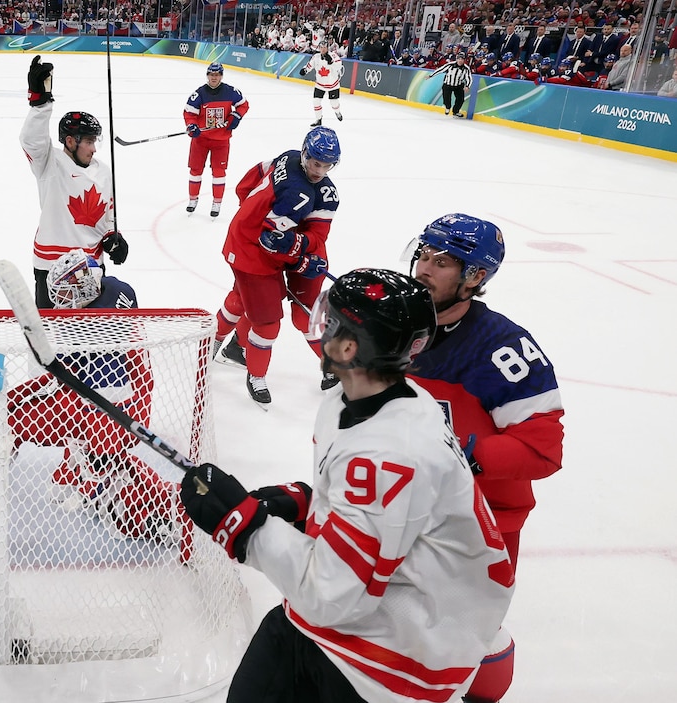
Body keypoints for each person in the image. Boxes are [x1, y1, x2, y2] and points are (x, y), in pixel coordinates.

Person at [179, 268, 515, 703]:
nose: (321, 327)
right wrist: (308, 502)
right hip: (362, 615)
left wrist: (247, 532)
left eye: (331, 321)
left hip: (394, 661)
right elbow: (384, 513)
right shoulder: (368, 400)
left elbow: (333, 596)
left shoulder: (392, 453)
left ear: (352, 346)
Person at [406, 214, 564, 703]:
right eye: (423, 254)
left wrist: (463, 455)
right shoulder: (397, 322)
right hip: (403, 511)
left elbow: (543, 449)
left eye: (443, 261)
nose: (423, 269)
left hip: (480, 526)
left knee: (470, 640)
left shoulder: (501, 348)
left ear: (475, 277)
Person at [0, 249, 178, 543]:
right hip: (124, 400)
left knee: (16, 417)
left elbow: (64, 372)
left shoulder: (88, 327)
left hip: (107, 412)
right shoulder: (119, 289)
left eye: (68, 295)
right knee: (17, 410)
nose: (61, 303)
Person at [213, 127, 342, 407]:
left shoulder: (291, 158)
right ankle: (251, 370)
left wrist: (247, 205)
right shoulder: (297, 193)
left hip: (281, 246)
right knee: (267, 320)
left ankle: (230, 346)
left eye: (327, 165)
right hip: (252, 250)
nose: (320, 170)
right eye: (315, 162)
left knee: (301, 314)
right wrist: (300, 259)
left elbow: (255, 175)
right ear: (306, 154)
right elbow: (269, 241)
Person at [20, 55, 127, 309]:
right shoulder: (50, 164)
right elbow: (32, 140)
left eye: (94, 141)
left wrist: (115, 237)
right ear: (70, 141)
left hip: (91, 268)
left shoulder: (103, 172)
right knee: (50, 337)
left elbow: (108, 214)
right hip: (51, 266)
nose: (93, 148)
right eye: (88, 141)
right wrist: (40, 104)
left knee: (88, 338)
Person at [183, 62, 249, 217]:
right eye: (211, 75)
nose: (214, 78)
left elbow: (243, 105)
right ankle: (193, 200)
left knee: (219, 171)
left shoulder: (231, 92)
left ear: (221, 76)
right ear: (207, 76)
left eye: (217, 75)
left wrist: (236, 115)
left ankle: (216, 203)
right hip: (201, 140)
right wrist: (192, 126)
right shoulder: (199, 94)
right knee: (195, 170)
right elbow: (189, 113)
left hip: (221, 140)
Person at [298, 41, 343, 127]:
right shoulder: (316, 57)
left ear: (327, 48)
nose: (323, 49)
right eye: (321, 47)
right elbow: (309, 66)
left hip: (332, 85)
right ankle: (318, 119)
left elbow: (339, 67)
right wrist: (305, 70)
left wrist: (331, 62)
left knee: (334, 103)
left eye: (325, 47)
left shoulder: (333, 56)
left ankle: (337, 112)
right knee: (316, 101)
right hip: (320, 84)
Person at [425, 52, 473, 116]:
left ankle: (455, 111)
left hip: (458, 85)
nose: (460, 61)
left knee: (460, 99)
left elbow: (469, 77)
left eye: (462, 59)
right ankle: (448, 107)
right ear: (456, 59)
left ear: (464, 60)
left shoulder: (466, 68)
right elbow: (440, 70)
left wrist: (467, 86)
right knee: (446, 98)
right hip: (448, 84)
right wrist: (431, 75)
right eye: (459, 59)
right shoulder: (450, 65)